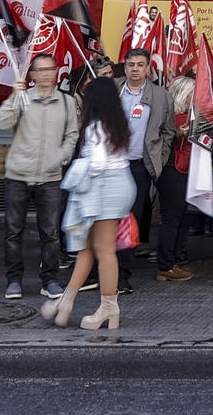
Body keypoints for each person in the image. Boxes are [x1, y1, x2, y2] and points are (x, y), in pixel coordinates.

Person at [43, 77, 136, 330]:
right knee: (89, 248)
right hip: (119, 184)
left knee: (103, 251)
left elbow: (96, 165)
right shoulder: (118, 123)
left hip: (104, 186)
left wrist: (74, 170)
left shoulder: (95, 127)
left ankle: (108, 307)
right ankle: (67, 301)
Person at [0, 54, 77, 301]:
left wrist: (61, 157)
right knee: (13, 232)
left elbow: (72, 135)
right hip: (18, 175)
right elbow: (0, 123)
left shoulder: (67, 102)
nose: (44, 74)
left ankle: (49, 280)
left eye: (49, 69)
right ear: (31, 75)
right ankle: (13, 281)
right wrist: (13, 96)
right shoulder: (22, 98)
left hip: (50, 177)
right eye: (39, 70)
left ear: (55, 72)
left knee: (50, 233)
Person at [115, 48, 173, 292]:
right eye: (131, 64)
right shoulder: (112, 89)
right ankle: (100, 271)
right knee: (108, 220)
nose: (135, 69)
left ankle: (122, 276)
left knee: (131, 221)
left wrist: (159, 156)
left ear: (148, 68)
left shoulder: (160, 96)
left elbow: (169, 131)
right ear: (125, 66)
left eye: (140, 64)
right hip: (112, 166)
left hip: (139, 166)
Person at [155, 71, 199, 282]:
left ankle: (171, 261)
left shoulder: (179, 116)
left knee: (177, 218)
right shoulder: (174, 119)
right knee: (173, 219)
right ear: (182, 95)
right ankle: (166, 265)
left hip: (179, 171)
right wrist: (176, 134)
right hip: (175, 171)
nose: (195, 97)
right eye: (192, 93)